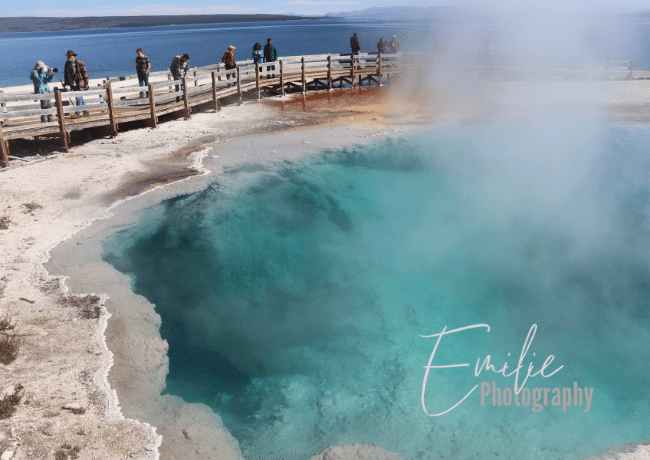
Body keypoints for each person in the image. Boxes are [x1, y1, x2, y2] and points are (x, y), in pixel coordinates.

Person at [63, 50, 89, 118]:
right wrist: (65, 83)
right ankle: (86, 111)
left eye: (70, 56)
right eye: (68, 56)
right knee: (80, 97)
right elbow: (66, 74)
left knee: (78, 98)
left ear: (73, 56)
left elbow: (85, 73)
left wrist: (86, 84)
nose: (68, 57)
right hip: (72, 84)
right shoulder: (67, 63)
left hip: (78, 83)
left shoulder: (79, 62)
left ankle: (77, 113)